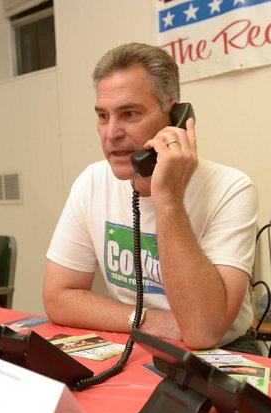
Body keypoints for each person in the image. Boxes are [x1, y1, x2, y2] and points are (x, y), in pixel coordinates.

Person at [43, 43, 259, 354]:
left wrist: (168, 198)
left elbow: (202, 331)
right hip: (138, 340)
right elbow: (58, 297)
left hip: (222, 353)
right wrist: (149, 320)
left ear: (174, 116)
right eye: (103, 116)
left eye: (128, 114)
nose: (111, 133)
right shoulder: (91, 181)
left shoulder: (231, 188)